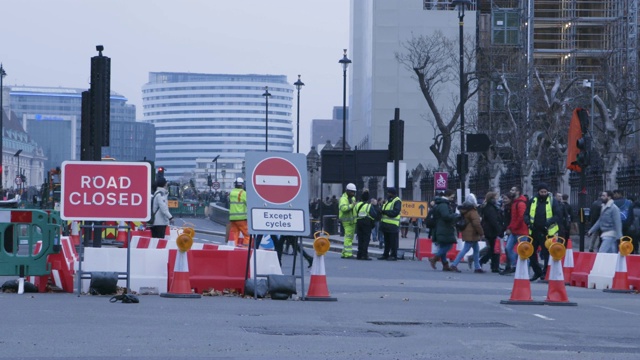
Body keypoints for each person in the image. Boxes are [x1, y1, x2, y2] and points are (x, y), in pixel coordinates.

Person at [524, 182, 562, 281]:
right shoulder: (533, 200)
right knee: (530, 252)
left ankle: (545, 273)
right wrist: (528, 223)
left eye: (545, 191)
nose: (543, 193)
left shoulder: (552, 201)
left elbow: (557, 215)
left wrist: (548, 223)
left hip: (547, 232)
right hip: (534, 231)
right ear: (538, 191)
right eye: (542, 191)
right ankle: (537, 271)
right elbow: (526, 214)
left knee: (546, 254)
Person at [449, 193, 485, 273]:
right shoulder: (473, 211)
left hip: (467, 231)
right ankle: (454, 264)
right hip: (472, 233)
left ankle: (477, 266)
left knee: (476, 250)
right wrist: (481, 233)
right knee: (466, 249)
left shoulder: (464, 210)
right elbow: (476, 223)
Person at [501, 186, 528, 275]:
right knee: (508, 248)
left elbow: (521, 218)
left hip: (521, 231)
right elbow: (514, 218)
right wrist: (510, 227)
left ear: (517, 192)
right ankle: (515, 265)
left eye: (513, 190)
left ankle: (524, 268)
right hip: (514, 230)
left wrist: (512, 227)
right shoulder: (515, 202)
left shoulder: (520, 203)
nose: (511, 191)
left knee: (523, 251)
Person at [428, 189, 457, 271]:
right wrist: (455, 215)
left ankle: (445, 265)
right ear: (447, 195)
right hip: (444, 228)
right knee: (449, 245)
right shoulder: (444, 205)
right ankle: (434, 258)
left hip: (440, 228)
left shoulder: (441, 203)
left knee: (443, 245)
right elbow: (446, 216)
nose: (453, 198)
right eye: (452, 196)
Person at [479, 192, 502, 273]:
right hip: (490, 230)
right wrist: (499, 230)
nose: (497, 199)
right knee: (492, 249)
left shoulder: (488, 206)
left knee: (493, 248)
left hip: (489, 230)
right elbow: (493, 220)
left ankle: (494, 265)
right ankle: (483, 261)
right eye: (496, 197)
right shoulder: (490, 207)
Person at [378, 187, 402, 261]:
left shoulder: (397, 201)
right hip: (386, 224)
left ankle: (393, 255)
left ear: (392, 193)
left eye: (389, 192)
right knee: (387, 241)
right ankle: (385, 254)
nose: (387, 194)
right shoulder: (388, 201)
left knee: (393, 242)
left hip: (393, 225)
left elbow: (395, 212)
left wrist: (384, 212)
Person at [355, 189, 378, 260]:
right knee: (366, 239)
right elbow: (374, 214)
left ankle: (359, 254)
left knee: (360, 239)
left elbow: (354, 213)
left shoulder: (357, 205)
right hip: (366, 223)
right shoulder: (369, 206)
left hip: (358, 222)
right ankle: (364, 255)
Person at [228, 177, 249, 246]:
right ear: (242, 185)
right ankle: (245, 250)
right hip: (241, 218)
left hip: (232, 218)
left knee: (235, 235)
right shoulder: (243, 193)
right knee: (247, 235)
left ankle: (233, 249)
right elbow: (248, 203)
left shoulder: (232, 193)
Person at [339, 183, 358, 259]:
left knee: (350, 237)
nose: (353, 193)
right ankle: (348, 254)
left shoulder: (353, 198)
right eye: (352, 192)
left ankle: (344, 252)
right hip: (346, 221)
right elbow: (343, 208)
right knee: (348, 237)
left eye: (354, 192)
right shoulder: (343, 199)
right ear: (347, 191)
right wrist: (352, 205)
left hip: (352, 221)